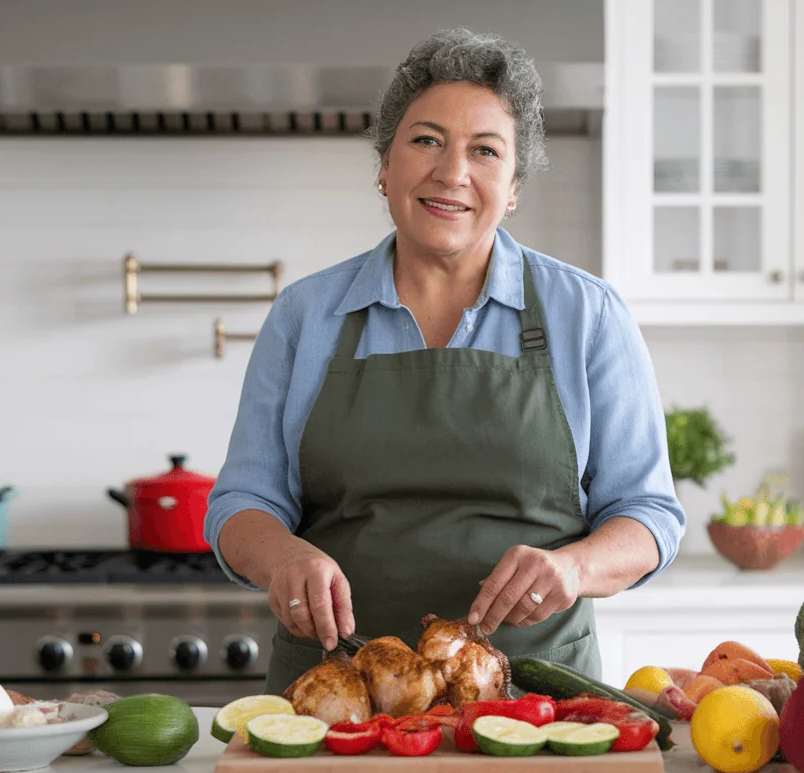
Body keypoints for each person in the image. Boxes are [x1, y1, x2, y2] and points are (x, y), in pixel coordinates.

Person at [204, 28, 685, 694]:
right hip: (338, 698)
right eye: (426, 140)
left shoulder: (589, 315)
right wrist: (282, 557)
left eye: (485, 151)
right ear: (385, 165)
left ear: (513, 186)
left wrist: (573, 569)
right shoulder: (305, 316)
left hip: (535, 703)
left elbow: (649, 515)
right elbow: (242, 503)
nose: (452, 173)